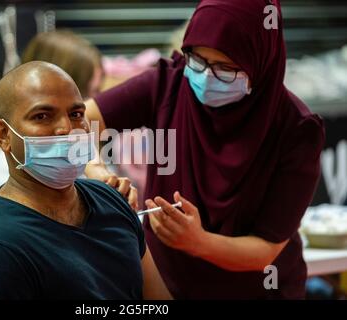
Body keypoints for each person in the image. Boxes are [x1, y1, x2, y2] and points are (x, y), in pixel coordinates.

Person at [84, 0, 325, 299]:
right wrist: (96, 169)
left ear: (261, 64)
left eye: (226, 68)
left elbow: (265, 248)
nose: (207, 77)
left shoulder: (296, 131)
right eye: (197, 60)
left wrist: (198, 242)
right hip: (164, 289)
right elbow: (80, 120)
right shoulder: (167, 83)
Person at [0, 61, 170, 300]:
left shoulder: (112, 200)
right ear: (3, 135)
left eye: (76, 114)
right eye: (42, 116)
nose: (67, 128)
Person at [0, 30, 138, 249]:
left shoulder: (81, 145)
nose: (65, 127)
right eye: (88, 93)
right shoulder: (5, 157)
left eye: (76, 112)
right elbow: (23, 230)